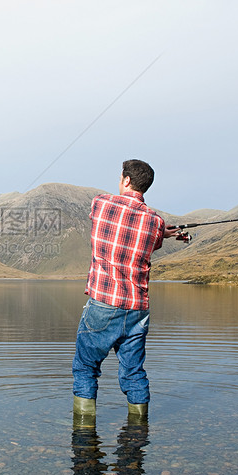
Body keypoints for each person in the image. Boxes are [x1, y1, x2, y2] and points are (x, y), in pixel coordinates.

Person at [72, 159, 179, 421]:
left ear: (126, 180)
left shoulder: (102, 203)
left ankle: (84, 431)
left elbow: (118, 228)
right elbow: (150, 244)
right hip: (137, 309)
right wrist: (164, 233)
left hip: (104, 303)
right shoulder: (155, 222)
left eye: (121, 177)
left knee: (85, 368)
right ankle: (138, 432)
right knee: (133, 372)